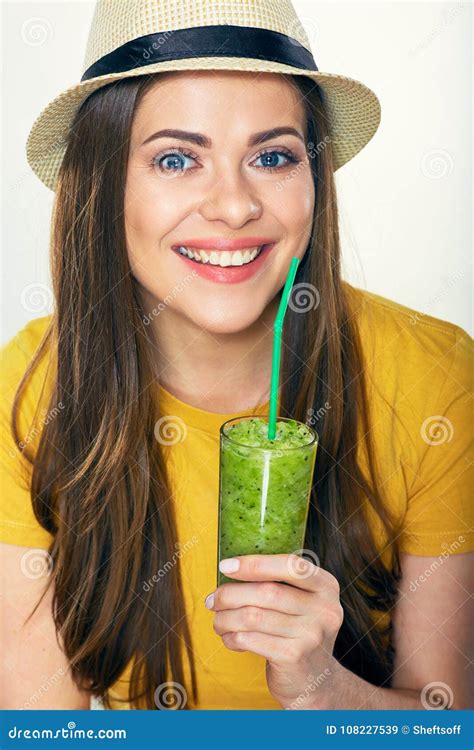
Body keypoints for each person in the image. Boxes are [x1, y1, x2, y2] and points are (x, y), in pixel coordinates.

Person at [1, 0, 472, 711]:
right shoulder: (30, 390)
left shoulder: (438, 378)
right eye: (176, 159)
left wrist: (323, 687)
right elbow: (45, 729)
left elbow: (448, 723)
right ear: (104, 186)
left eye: (272, 156)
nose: (233, 206)